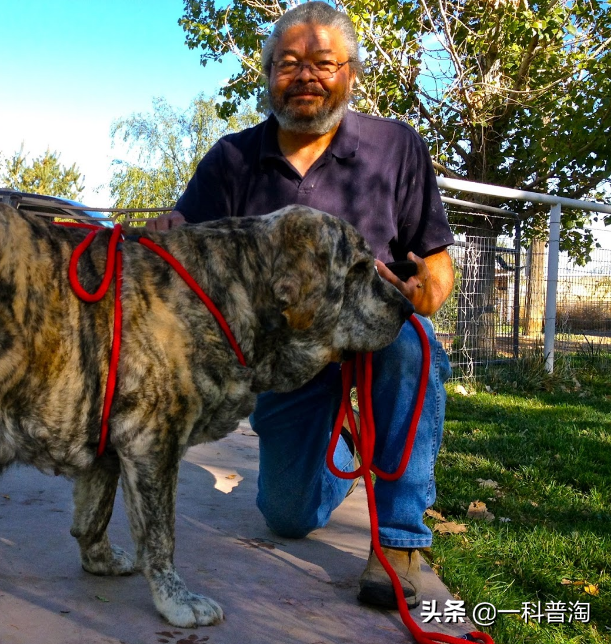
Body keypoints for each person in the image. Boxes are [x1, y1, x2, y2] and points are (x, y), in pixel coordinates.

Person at [147, 1, 455, 609]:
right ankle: (344, 446)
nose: (306, 75)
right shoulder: (233, 158)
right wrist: (166, 232)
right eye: (288, 64)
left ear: (351, 73)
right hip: (284, 356)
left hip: (376, 327)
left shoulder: (397, 148)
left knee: (412, 350)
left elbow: (436, 257)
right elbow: (187, 240)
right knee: (287, 516)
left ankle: (396, 542)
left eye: (323, 62)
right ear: (267, 76)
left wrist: (429, 290)